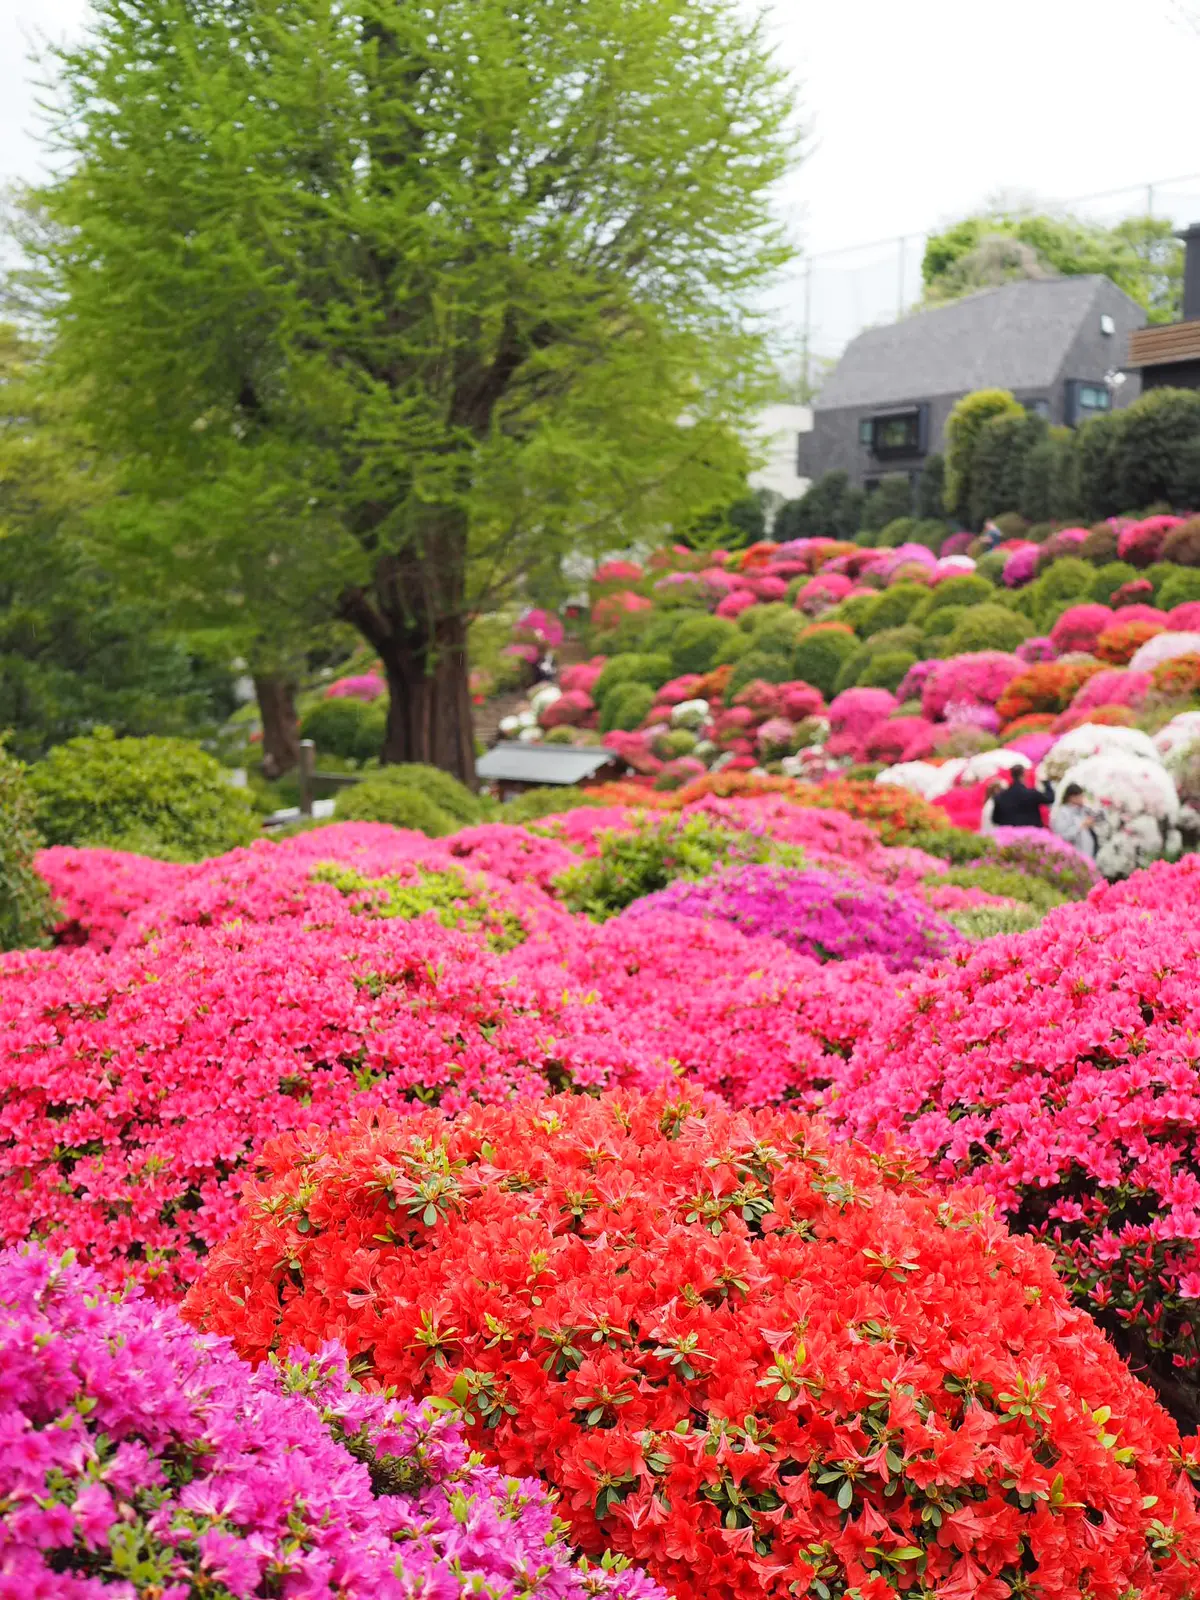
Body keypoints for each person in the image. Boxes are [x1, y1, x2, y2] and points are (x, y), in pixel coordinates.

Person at [990, 763, 1055, 829]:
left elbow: (995, 819)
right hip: (1031, 834)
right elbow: (1050, 798)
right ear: (1024, 775)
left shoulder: (1000, 797)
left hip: (1010, 834)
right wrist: (1046, 783)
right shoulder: (1032, 794)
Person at [1050, 783, 1098, 859]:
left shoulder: (1083, 810)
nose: (1083, 799)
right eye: (1080, 796)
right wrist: (1082, 825)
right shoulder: (1062, 813)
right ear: (1072, 797)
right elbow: (1062, 835)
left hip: (1088, 855)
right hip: (1074, 857)